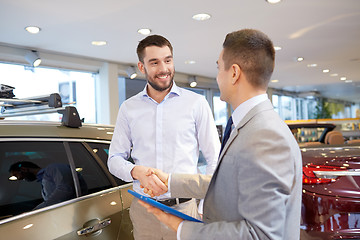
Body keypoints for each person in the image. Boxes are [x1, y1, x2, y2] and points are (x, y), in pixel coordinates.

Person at [139, 29, 303, 240]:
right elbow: (229, 183)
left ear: (234, 73)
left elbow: (261, 235)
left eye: (219, 68)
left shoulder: (266, 137)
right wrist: (171, 181)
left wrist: (180, 226)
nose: (217, 77)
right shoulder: (250, 126)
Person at [107, 34, 220, 239]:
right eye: (155, 62)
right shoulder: (128, 108)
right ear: (142, 67)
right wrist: (135, 171)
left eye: (168, 60)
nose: (164, 69)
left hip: (185, 210)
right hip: (144, 211)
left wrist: (205, 206)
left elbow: (215, 158)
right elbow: (114, 159)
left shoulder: (196, 104)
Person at [9, 161, 87, 210]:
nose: (18, 179)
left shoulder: (53, 168)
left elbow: (65, 189)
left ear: (23, 169)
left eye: (16, 175)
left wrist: (38, 210)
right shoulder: (43, 180)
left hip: (78, 209)